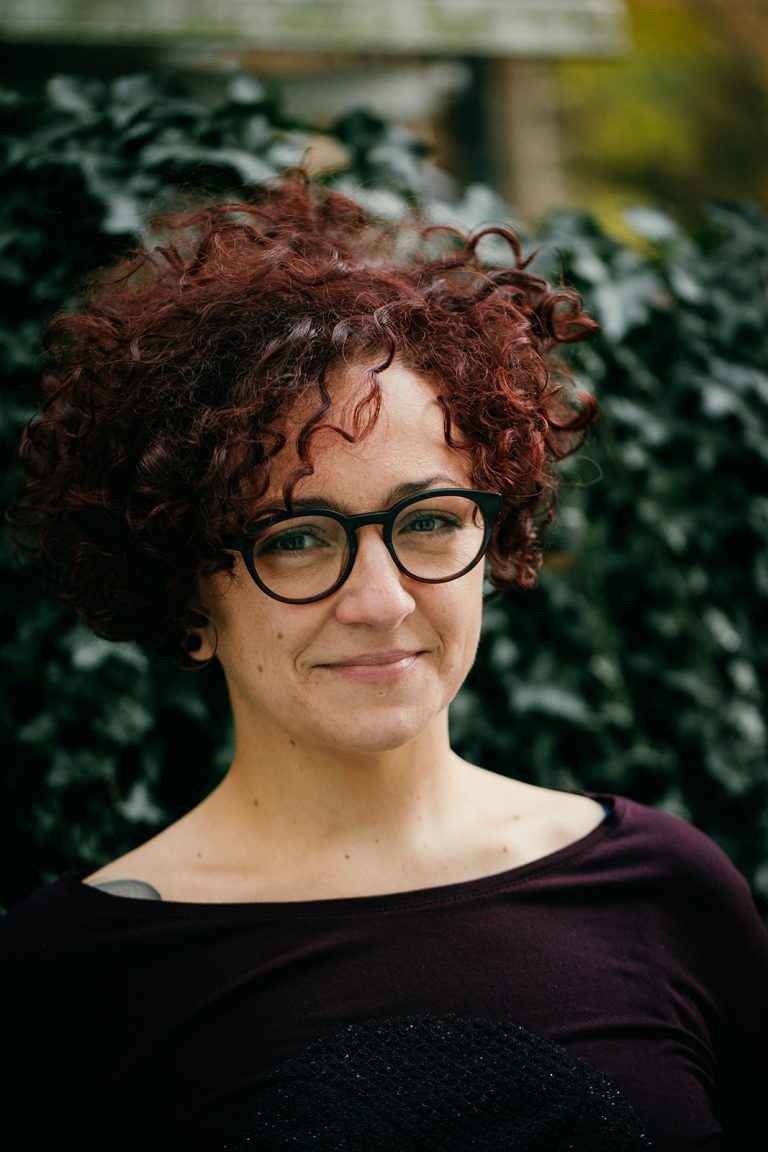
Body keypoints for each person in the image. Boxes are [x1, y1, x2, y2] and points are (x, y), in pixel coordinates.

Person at [2, 172, 766, 1152]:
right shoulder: (62, 983)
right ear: (188, 589)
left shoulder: (667, 894)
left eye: (431, 521)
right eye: (296, 537)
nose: (382, 600)